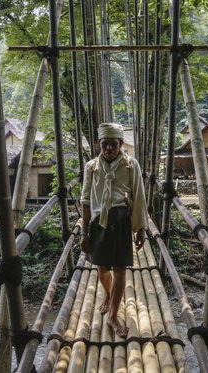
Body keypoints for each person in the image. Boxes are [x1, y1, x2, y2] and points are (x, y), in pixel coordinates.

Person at [80, 123, 148, 338]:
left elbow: (139, 196)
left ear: (121, 144)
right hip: (99, 221)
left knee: (120, 269)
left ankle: (113, 316)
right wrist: (84, 232)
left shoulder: (130, 165)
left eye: (113, 144)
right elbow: (85, 200)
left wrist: (141, 229)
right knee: (101, 268)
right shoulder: (91, 167)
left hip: (120, 220)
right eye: (105, 144)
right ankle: (108, 295)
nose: (109, 148)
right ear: (98, 144)